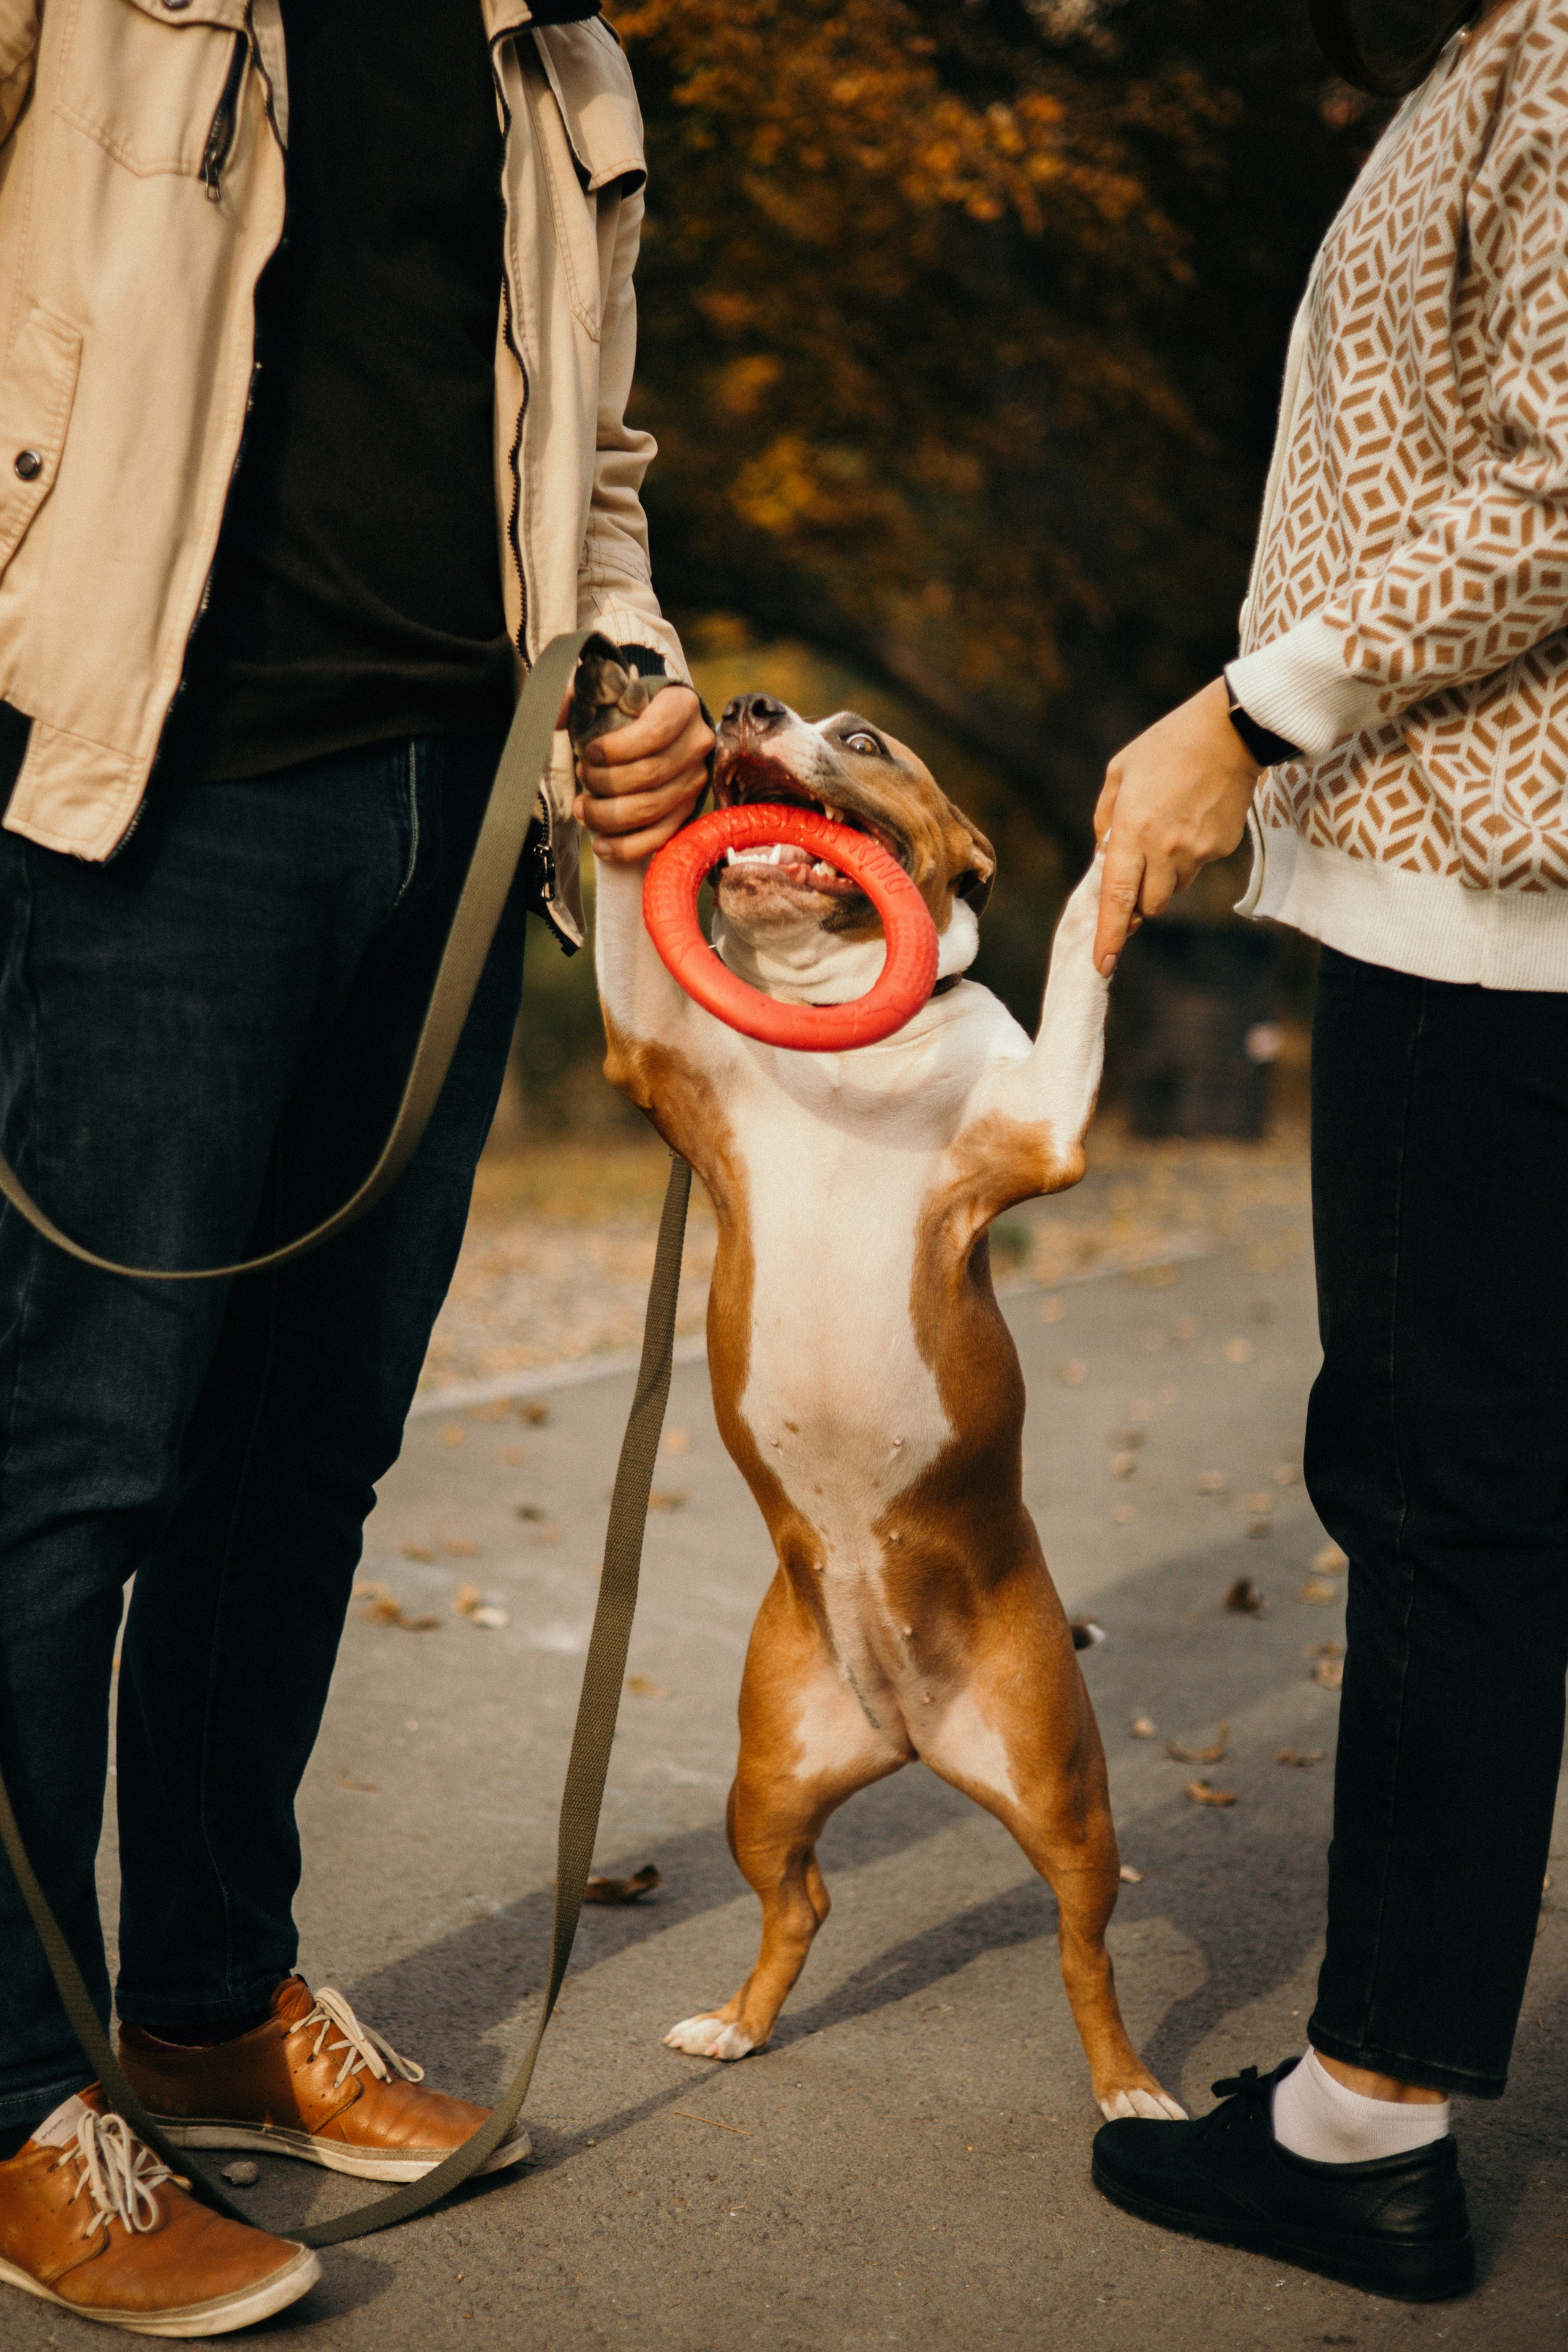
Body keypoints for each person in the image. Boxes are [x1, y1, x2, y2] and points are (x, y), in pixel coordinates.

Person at [0, 3, 709, 2335]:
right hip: (152, 806)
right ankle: (19, 2096)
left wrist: (631, 664)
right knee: (74, 1463)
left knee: (303, 1452)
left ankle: (209, 1995)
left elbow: (588, 456)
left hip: (453, 812)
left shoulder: (557, 52)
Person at [1088, 0, 1566, 2304]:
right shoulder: (1484, 52)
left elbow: (1564, 477)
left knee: (1451, 1490)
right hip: (1479, 885)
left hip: (1499, 898)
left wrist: (1243, 710)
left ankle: (1369, 2118)